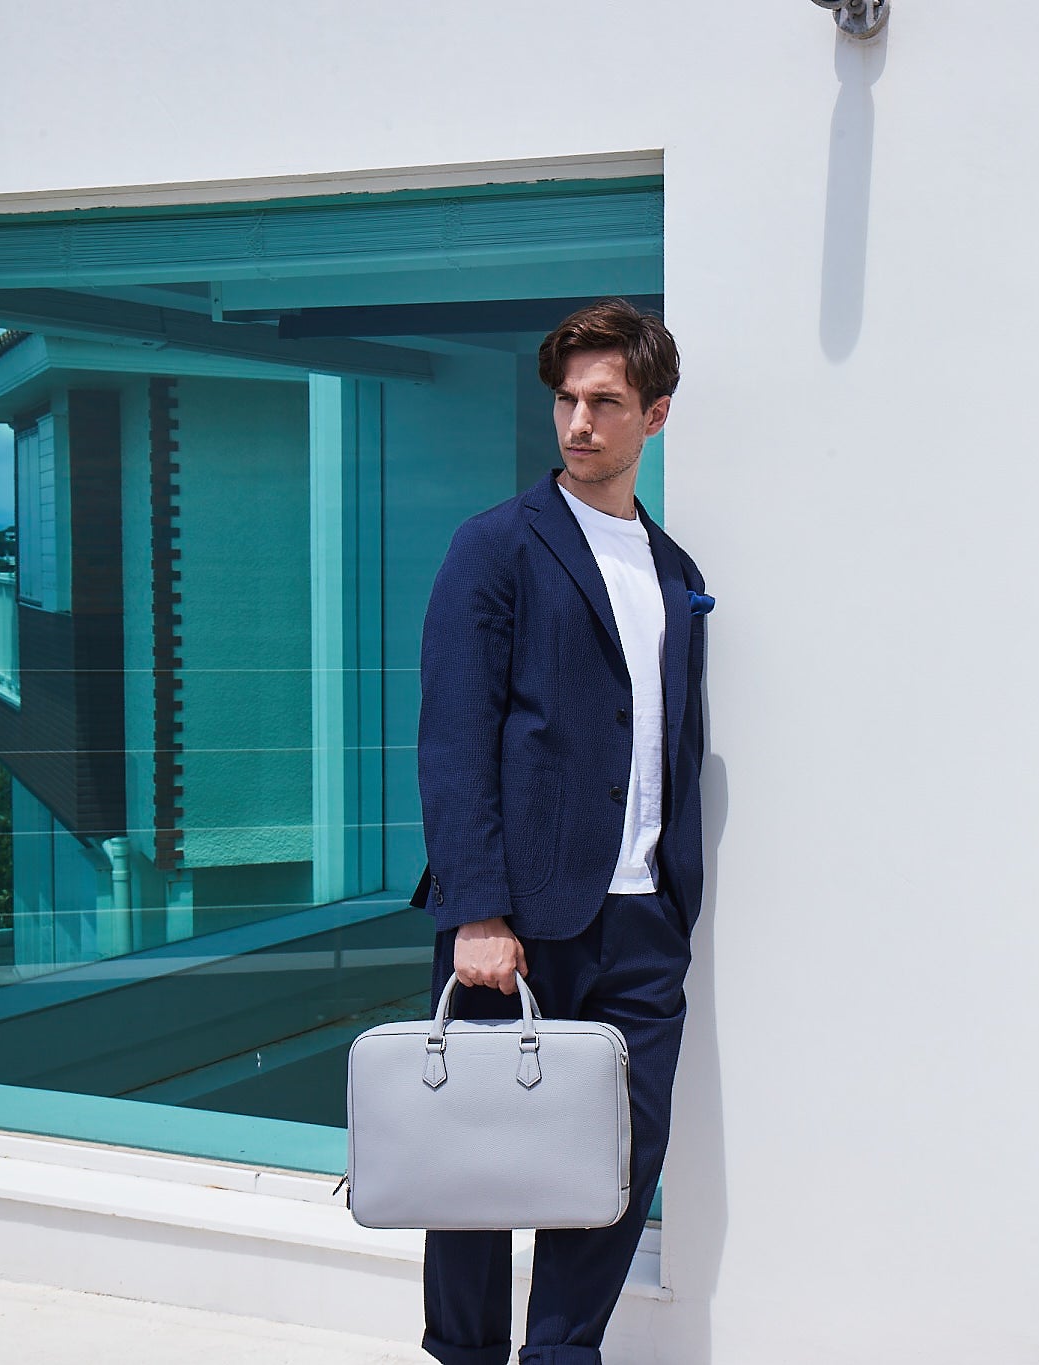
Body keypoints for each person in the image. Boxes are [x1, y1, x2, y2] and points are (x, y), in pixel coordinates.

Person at [413, 299, 710, 1365]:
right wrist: (476, 913)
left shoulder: (672, 571)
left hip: (643, 920)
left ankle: (561, 1354)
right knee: (477, 1160)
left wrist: (675, 898)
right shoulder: (496, 546)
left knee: (618, 1156)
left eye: (604, 403)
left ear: (654, 416)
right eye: (565, 401)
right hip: (520, 922)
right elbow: (453, 739)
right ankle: (463, 1353)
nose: (578, 423)